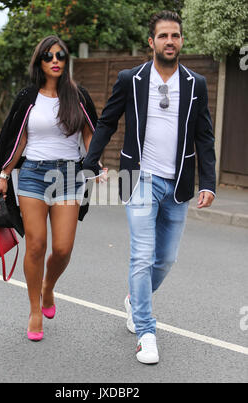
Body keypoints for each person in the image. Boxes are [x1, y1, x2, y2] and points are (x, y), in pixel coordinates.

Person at [83, 11, 216, 364]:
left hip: (179, 185)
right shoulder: (131, 79)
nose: (169, 41)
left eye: (175, 36)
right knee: (142, 255)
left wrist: (210, 182)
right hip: (139, 178)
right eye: (163, 36)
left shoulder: (195, 84)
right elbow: (107, 121)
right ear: (151, 42)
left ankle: (134, 300)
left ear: (182, 41)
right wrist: (90, 160)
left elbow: (204, 136)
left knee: (166, 259)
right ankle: (146, 331)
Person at [0, 35, 103, 342]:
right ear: (39, 61)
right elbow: (18, 139)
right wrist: (4, 175)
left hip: (68, 176)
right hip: (32, 175)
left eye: (60, 55)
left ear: (66, 61)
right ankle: (34, 310)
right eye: (48, 56)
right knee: (36, 244)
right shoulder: (29, 96)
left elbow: (90, 133)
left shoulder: (77, 95)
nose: (55, 60)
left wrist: (97, 166)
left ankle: (48, 287)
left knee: (63, 248)